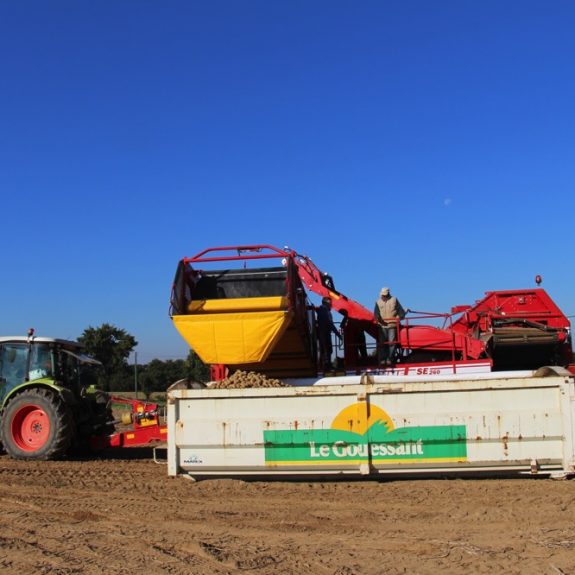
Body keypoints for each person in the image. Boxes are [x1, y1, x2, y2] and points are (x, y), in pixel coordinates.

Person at [374, 287, 406, 366]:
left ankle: (389, 359)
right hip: (382, 326)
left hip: (392, 325)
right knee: (382, 343)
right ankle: (382, 360)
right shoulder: (378, 302)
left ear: (388, 294)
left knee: (392, 343)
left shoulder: (394, 300)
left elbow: (401, 312)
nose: (383, 296)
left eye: (385, 295)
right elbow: (376, 314)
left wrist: (399, 317)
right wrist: (379, 319)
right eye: (382, 295)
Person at [316, 296, 341, 372]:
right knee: (327, 350)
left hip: (323, 333)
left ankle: (326, 366)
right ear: (327, 303)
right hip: (324, 334)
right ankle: (327, 367)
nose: (331, 305)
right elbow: (330, 323)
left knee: (325, 351)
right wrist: (338, 334)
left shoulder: (321, 310)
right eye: (330, 303)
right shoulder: (325, 310)